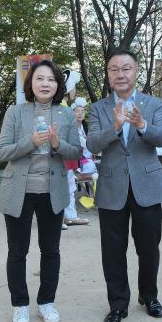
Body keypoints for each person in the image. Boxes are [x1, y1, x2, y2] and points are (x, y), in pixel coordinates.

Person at [87, 49, 162, 322]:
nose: (120, 74)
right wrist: (116, 125)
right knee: (112, 250)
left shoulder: (153, 104)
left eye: (126, 68)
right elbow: (93, 144)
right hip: (112, 186)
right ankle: (118, 305)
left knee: (149, 248)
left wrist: (141, 124)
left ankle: (149, 297)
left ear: (136, 72)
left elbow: (161, 138)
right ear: (108, 74)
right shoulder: (98, 108)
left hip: (147, 185)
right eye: (114, 69)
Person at [0, 60, 81, 322]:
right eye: (40, 78)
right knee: (17, 252)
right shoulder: (16, 112)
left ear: (58, 85)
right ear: (30, 83)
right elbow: (1, 152)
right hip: (18, 191)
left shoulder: (66, 115)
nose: (45, 84)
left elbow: (76, 152)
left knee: (51, 251)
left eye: (51, 80)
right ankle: (20, 306)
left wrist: (57, 144)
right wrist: (30, 143)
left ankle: (46, 302)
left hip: (52, 191)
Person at [62, 97, 98, 228]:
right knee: (63, 187)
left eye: (82, 111)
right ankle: (62, 218)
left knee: (70, 187)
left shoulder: (85, 127)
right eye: (77, 111)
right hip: (69, 160)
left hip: (79, 162)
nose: (80, 113)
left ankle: (70, 216)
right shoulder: (67, 126)